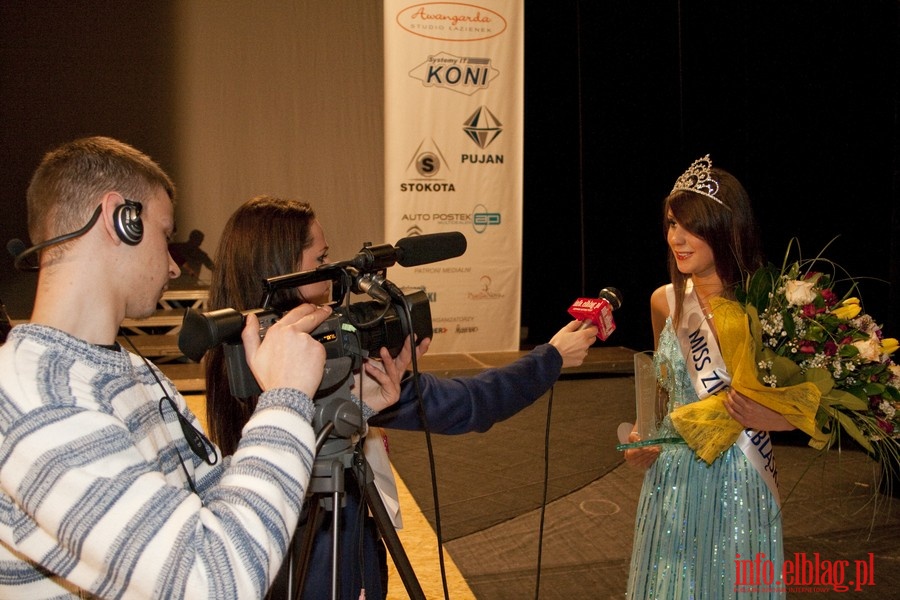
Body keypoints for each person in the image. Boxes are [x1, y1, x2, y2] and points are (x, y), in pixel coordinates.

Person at [0, 137, 369, 598]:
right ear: (121, 219)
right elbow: (213, 581)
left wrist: (334, 412)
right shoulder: (36, 399)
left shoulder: (134, 371)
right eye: (164, 234)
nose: (174, 267)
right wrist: (284, 399)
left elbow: (218, 492)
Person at [205, 195, 599, 599]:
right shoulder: (322, 357)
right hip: (326, 564)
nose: (330, 276)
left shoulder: (234, 351)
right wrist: (551, 358)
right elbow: (468, 404)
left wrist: (360, 407)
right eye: (320, 260)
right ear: (282, 268)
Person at [624, 155, 819, 598]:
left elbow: (807, 402)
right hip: (672, 478)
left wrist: (777, 419)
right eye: (672, 224)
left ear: (725, 228)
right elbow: (663, 393)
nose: (676, 237)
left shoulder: (771, 308)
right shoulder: (664, 302)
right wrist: (642, 437)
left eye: (690, 226)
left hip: (741, 475)